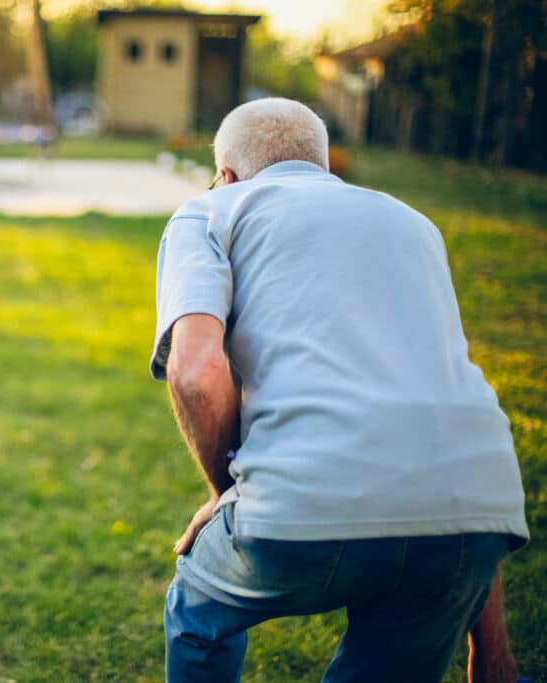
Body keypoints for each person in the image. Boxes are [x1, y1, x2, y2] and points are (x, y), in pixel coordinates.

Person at [151, 98, 529, 682]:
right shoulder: (414, 224)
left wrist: (225, 491)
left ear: (224, 175)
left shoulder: (211, 210)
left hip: (303, 511)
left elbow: (196, 371)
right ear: (326, 167)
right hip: (475, 523)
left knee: (199, 612)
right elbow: (448, 407)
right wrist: (494, 650)